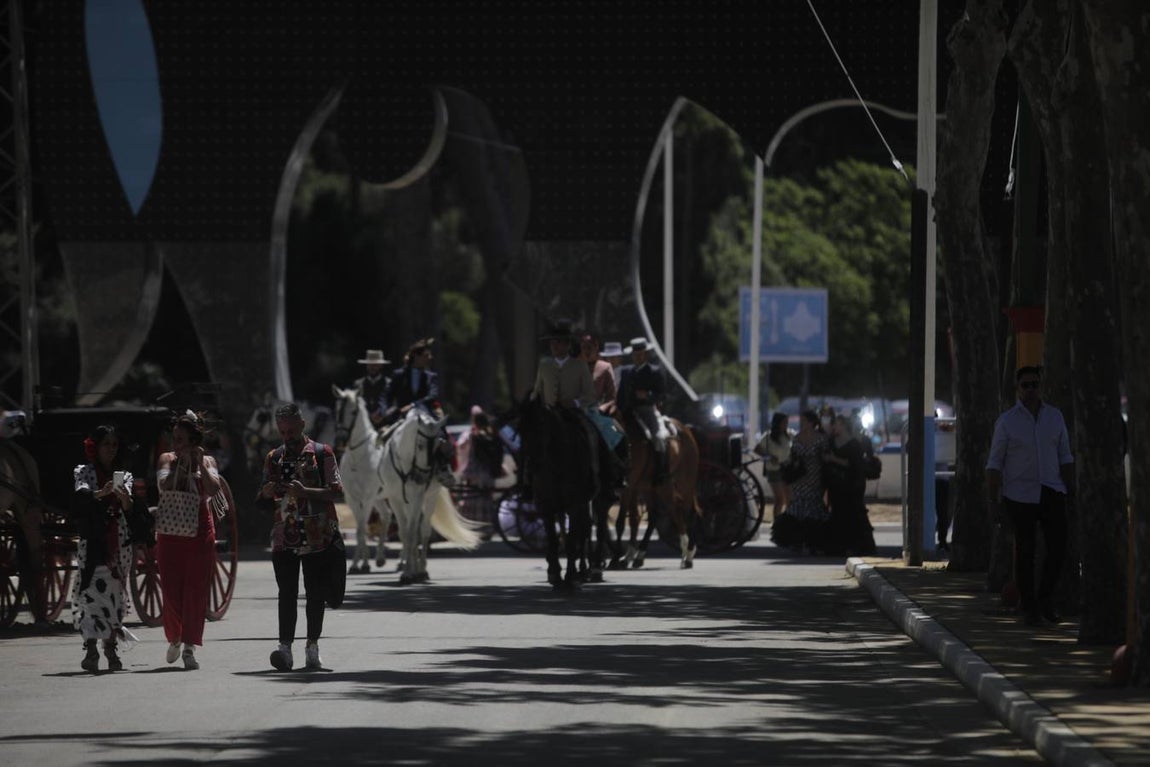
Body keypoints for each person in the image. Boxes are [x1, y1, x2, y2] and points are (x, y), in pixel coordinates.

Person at [258, 402, 344, 670]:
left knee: (315, 592)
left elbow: (337, 492)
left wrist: (305, 491)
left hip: (317, 535)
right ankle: (284, 647)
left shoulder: (322, 453)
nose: (287, 437)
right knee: (287, 592)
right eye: (282, 432)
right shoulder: (274, 457)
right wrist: (268, 491)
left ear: (302, 425)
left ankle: (312, 646)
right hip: (285, 535)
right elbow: (260, 499)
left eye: (291, 431)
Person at [986, 365, 1074, 627]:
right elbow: (994, 464)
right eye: (1026, 385)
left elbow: (1065, 456)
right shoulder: (1007, 422)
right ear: (1017, 389)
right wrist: (994, 501)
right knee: (1025, 552)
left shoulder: (1055, 417)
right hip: (1019, 494)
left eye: (1035, 384)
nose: (1031, 390)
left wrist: (1071, 489)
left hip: (1052, 489)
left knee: (1058, 547)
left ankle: (1045, 598)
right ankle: (1030, 607)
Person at [70, 424, 142, 672]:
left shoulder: (124, 475)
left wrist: (123, 497)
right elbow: (81, 496)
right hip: (92, 537)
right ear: (96, 447)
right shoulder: (84, 471)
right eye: (106, 444)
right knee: (90, 591)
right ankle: (91, 649)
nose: (110, 449)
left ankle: (110, 648)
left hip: (117, 539)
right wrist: (101, 493)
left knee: (114, 595)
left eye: (114, 444)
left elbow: (129, 506)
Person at [156, 412, 222, 670]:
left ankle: (190, 647)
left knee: (195, 590)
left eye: (182, 439)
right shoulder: (167, 459)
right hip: (171, 531)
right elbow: (164, 486)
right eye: (175, 439)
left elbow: (214, 488)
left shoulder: (207, 460)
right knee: (172, 590)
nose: (177, 444)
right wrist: (180, 465)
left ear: (193, 440)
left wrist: (199, 465)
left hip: (199, 530)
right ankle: (174, 636)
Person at [770, 410, 830, 553]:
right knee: (797, 504)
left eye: (803, 421)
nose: (801, 424)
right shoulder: (797, 438)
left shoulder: (821, 438)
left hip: (815, 476)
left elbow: (826, 457)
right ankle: (796, 540)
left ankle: (813, 541)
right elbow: (792, 455)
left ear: (811, 423)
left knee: (813, 504)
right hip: (799, 477)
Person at [616, 337, 669, 482]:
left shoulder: (655, 371)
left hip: (647, 410)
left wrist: (648, 396)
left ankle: (661, 470)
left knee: (658, 437)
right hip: (628, 411)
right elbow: (621, 394)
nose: (638, 357)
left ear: (646, 354)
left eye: (641, 354)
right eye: (635, 354)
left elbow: (662, 395)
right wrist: (619, 409)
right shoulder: (627, 373)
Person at [823, 415, 876, 556]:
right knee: (837, 513)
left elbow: (852, 464)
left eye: (836, 424)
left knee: (853, 513)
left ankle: (857, 546)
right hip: (835, 484)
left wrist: (833, 459)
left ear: (843, 425)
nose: (833, 427)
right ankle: (838, 546)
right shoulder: (831, 441)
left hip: (851, 484)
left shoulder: (854, 443)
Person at [383, 338, 440, 426]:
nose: (430, 358)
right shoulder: (399, 375)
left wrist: (413, 405)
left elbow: (433, 395)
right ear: (416, 356)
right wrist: (386, 411)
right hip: (401, 416)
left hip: (426, 415)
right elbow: (387, 396)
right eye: (426, 355)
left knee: (441, 433)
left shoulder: (431, 377)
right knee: (385, 436)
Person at [754, 412, 793, 521]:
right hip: (774, 470)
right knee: (779, 499)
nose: (786, 424)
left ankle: (789, 521)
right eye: (784, 422)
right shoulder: (768, 437)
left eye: (787, 422)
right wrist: (770, 456)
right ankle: (777, 523)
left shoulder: (789, 435)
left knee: (789, 498)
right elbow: (757, 449)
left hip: (787, 469)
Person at [354, 349, 392, 428]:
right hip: (362, 426)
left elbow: (393, 404)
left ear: (381, 365)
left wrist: (382, 414)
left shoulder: (389, 384)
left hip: (385, 425)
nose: (372, 367)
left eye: (375, 365)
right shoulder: (358, 384)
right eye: (370, 365)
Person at [579, 334, 617, 413]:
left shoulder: (605, 367)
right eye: (584, 348)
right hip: (578, 412)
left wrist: (603, 407)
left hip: (597, 411)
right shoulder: (575, 368)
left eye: (589, 347)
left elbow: (612, 396)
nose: (587, 351)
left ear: (596, 348)